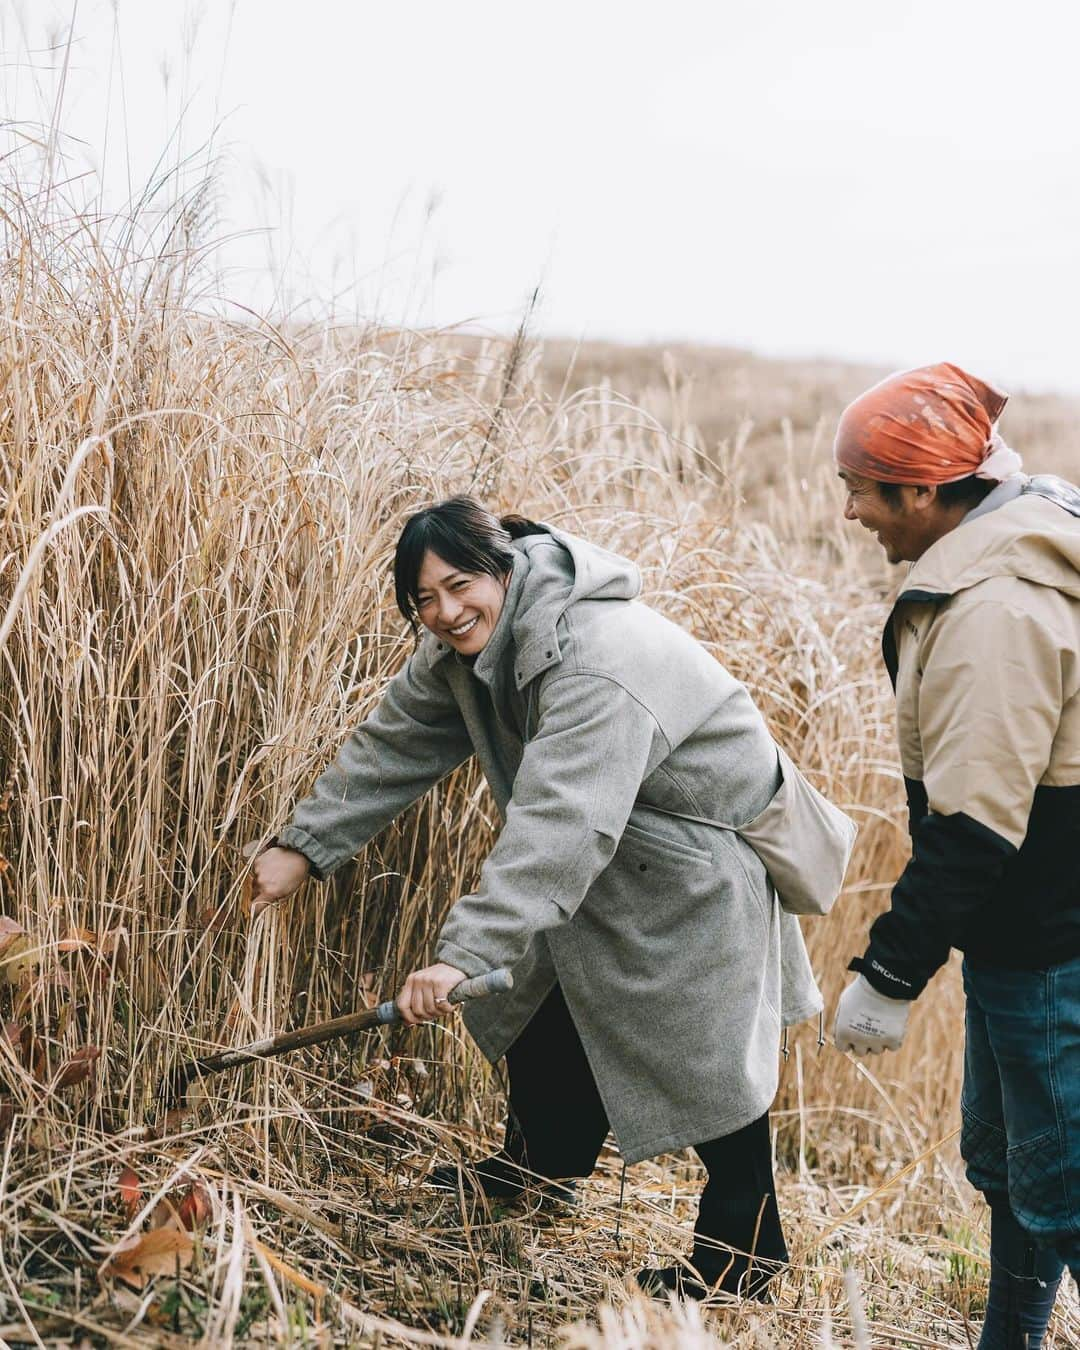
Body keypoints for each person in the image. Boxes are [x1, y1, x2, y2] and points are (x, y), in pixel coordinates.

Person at [252, 496, 824, 1300]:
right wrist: (302, 848)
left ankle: (745, 1251)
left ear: (505, 565)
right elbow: (396, 742)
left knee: (706, 1053)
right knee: (534, 1000)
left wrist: (460, 955)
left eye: (459, 585)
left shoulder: (599, 657)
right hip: (605, 852)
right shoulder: (466, 647)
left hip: (693, 867)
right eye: (424, 599)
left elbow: (563, 823)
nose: (445, 612)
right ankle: (539, 1167)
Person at [831, 364, 1080, 1349]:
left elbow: (976, 824)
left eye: (860, 488)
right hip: (1021, 940)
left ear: (925, 491)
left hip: (1051, 947)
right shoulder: (993, 553)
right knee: (1014, 1171)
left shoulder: (995, 610)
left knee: (1061, 1188)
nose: (852, 513)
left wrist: (889, 972)